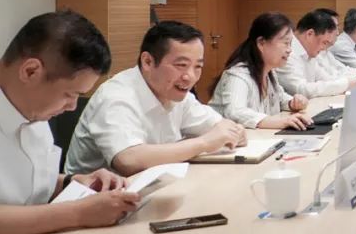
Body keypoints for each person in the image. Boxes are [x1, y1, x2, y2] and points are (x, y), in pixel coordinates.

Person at [0, 10, 140, 234]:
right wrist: (78, 213)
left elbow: (24, 187)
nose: (72, 107)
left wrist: (74, 182)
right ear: (30, 71)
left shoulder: (29, 104)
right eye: (69, 94)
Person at [65, 21, 248, 176]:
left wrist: (233, 132)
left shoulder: (176, 92)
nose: (190, 77)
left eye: (198, 67)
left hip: (152, 188)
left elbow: (219, 126)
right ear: (148, 62)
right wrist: (204, 143)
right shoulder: (116, 96)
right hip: (95, 198)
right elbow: (128, 160)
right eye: (181, 65)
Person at [210, 13, 313, 130]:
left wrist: (293, 103)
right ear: (261, 43)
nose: (289, 50)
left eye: (290, 44)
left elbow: (279, 99)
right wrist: (279, 121)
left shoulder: (269, 72)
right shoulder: (238, 75)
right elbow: (235, 112)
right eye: (285, 43)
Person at [277, 9, 356, 98]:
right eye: (324, 43)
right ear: (310, 34)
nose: (324, 48)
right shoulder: (287, 53)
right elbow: (301, 89)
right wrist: (347, 84)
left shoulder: (309, 53)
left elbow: (328, 79)